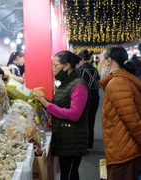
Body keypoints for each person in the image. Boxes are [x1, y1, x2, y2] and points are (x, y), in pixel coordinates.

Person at [35, 51, 89, 180]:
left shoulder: (79, 85)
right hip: (65, 138)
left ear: (67, 66)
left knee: (69, 175)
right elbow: (61, 106)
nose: (53, 69)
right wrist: (45, 101)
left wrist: (48, 105)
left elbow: (74, 114)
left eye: (55, 65)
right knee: (66, 174)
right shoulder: (66, 83)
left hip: (73, 139)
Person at [98, 45, 141, 180]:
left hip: (124, 154)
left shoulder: (117, 83)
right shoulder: (120, 80)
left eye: (100, 59)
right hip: (123, 149)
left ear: (108, 61)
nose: (99, 63)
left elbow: (133, 121)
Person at [77, 50, 100, 150]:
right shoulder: (95, 70)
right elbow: (98, 84)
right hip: (95, 97)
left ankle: (83, 145)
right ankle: (89, 144)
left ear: (81, 59)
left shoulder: (79, 70)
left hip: (84, 98)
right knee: (91, 121)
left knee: (82, 121)